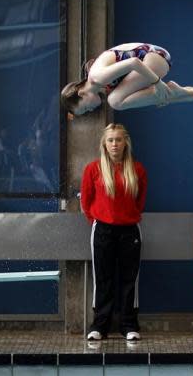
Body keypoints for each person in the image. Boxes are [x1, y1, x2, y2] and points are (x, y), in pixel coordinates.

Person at [80, 123, 147, 341]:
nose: (114, 144)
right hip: (102, 230)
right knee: (103, 279)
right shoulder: (93, 169)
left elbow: (140, 201)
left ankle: (129, 325)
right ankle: (100, 325)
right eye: (110, 140)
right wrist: (98, 221)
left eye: (118, 139)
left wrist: (128, 217)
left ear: (125, 142)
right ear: (104, 144)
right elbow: (86, 202)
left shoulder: (137, 169)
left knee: (130, 280)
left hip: (130, 231)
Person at [61, 42, 193, 118]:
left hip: (155, 57)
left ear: (81, 94)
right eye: (88, 111)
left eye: (85, 108)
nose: (91, 109)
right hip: (154, 61)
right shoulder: (101, 83)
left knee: (115, 101)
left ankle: (170, 93)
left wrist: (157, 83)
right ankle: (174, 95)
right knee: (116, 100)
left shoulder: (97, 77)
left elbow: (133, 62)